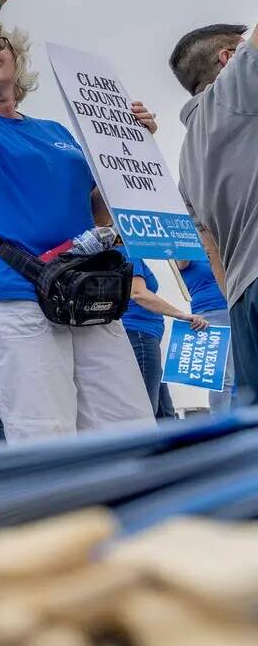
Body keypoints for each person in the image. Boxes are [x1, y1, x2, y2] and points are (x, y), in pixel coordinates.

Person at [0, 0, 154, 441]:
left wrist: (134, 148)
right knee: (46, 433)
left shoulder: (57, 130)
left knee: (128, 426)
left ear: (18, 61)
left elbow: (97, 211)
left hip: (84, 287)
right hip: (12, 292)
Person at [170, 22, 258, 405]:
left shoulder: (186, 163)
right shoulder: (235, 90)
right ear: (228, 60)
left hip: (241, 300)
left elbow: (212, 252)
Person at [118, 249, 208, 418]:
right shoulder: (126, 252)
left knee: (164, 411)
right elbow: (138, 293)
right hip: (140, 336)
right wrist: (181, 314)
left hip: (144, 337)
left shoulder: (126, 253)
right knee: (146, 410)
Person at [177, 259, 235, 414]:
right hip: (210, 313)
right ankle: (221, 426)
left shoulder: (214, 247)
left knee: (238, 372)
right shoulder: (186, 252)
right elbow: (181, 263)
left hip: (234, 306)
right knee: (223, 376)